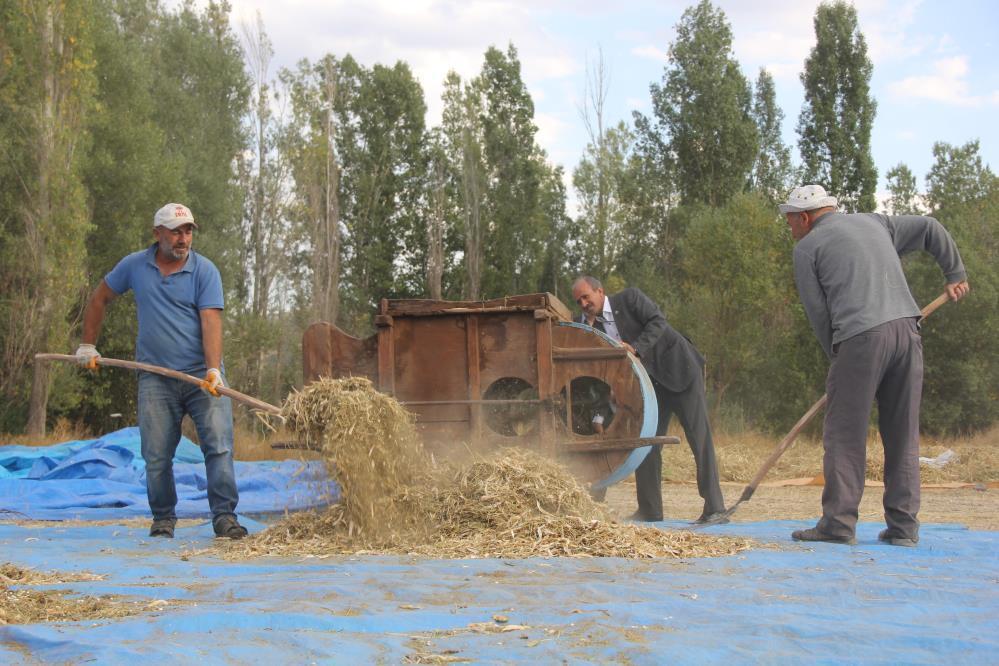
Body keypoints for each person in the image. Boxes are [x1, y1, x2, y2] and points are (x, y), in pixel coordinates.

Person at [781, 184, 969, 547]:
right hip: (908, 333)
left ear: (804, 217)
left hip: (860, 338)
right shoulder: (875, 222)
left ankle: (838, 525)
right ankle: (904, 529)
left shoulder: (806, 248)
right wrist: (954, 273)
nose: (789, 227)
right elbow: (930, 227)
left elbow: (819, 314)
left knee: (844, 435)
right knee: (902, 434)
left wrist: (839, 360)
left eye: (789, 220)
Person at [76, 203, 248, 540]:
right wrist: (87, 345)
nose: (183, 238)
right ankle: (163, 518)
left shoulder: (204, 271)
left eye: (188, 231)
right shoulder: (134, 266)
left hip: (202, 377)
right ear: (157, 234)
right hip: (155, 377)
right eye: (175, 232)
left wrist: (213, 369)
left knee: (219, 447)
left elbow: (211, 322)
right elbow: (99, 298)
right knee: (155, 455)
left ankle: (225, 517)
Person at [571, 276, 728, 524]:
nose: (583, 304)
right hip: (649, 386)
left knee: (699, 439)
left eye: (586, 297)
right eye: (578, 301)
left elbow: (658, 321)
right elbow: (596, 370)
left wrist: (635, 348)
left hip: (680, 370)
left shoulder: (630, 298)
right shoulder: (587, 326)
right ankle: (650, 510)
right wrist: (602, 410)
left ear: (600, 291)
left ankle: (715, 509)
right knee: (646, 444)